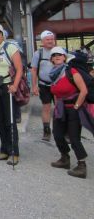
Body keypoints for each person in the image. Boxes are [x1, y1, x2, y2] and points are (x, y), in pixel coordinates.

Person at [0, 23, 23, 165]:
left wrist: (15, 85)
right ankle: (4, 149)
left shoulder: (10, 47)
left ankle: (14, 152)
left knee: (10, 120)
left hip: (7, 87)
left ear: (3, 35)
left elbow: (19, 69)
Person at [48, 47, 89, 178]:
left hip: (74, 108)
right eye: (54, 55)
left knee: (74, 137)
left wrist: (77, 106)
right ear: (51, 59)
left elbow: (83, 90)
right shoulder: (53, 74)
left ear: (64, 57)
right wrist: (56, 108)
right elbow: (55, 93)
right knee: (58, 135)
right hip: (61, 108)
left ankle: (82, 166)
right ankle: (65, 158)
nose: (56, 57)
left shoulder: (71, 71)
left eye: (59, 55)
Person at [31, 30, 57, 141]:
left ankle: (62, 131)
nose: (50, 41)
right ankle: (47, 131)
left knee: (59, 108)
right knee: (46, 108)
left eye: (52, 39)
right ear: (42, 41)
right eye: (48, 39)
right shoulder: (38, 53)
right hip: (44, 85)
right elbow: (34, 70)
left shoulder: (59, 51)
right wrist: (34, 86)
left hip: (58, 85)